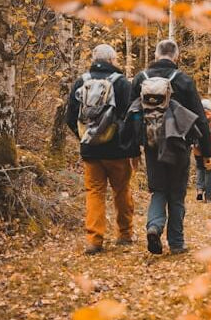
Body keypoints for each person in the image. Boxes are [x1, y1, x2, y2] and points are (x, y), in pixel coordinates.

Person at [130, 40, 211, 255]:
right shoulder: (183, 80)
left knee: (158, 190)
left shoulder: (141, 79)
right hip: (178, 146)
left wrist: (133, 150)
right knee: (176, 193)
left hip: (151, 144)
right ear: (176, 56)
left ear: (156, 55)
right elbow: (200, 120)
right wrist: (207, 152)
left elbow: (129, 116)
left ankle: (154, 227)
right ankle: (176, 243)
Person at [66, 44, 138, 255]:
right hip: (117, 150)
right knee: (122, 190)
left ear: (94, 58)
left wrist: (85, 137)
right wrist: (132, 148)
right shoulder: (122, 83)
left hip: (91, 151)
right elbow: (131, 117)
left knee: (94, 193)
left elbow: (71, 117)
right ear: (112, 60)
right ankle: (124, 234)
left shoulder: (82, 81)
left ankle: (94, 240)